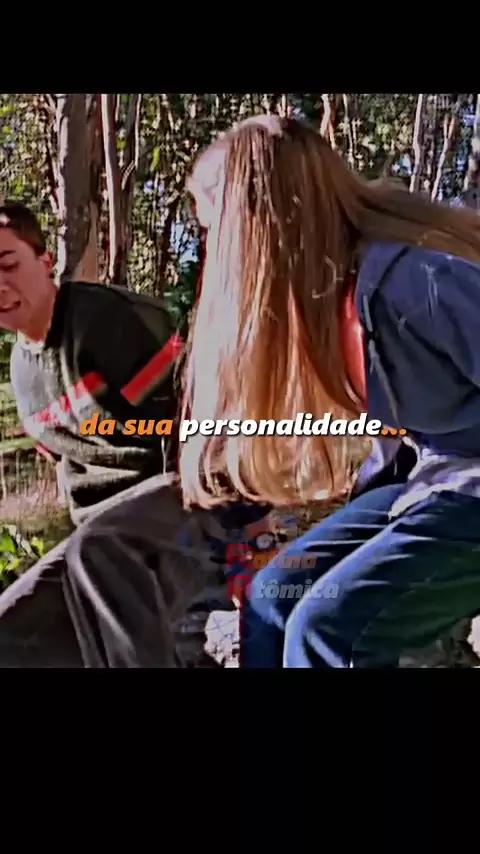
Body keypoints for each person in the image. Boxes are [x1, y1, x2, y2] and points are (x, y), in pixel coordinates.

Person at [182, 113, 480, 668]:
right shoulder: (335, 300)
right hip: (435, 481)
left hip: (470, 494)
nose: (209, 251)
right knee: (272, 596)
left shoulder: (415, 283)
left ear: (257, 219)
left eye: (210, 228)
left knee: (327, 631)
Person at [0, 201, 272, 667]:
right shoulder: (23, 378)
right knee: (13, 624)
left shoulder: (107, 323)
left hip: (187, 499)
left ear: (45, 261)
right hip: (103, 534)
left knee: (102, 551)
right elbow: (70, 466)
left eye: (9, 265)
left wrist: (254, 532)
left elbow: (211, 414)